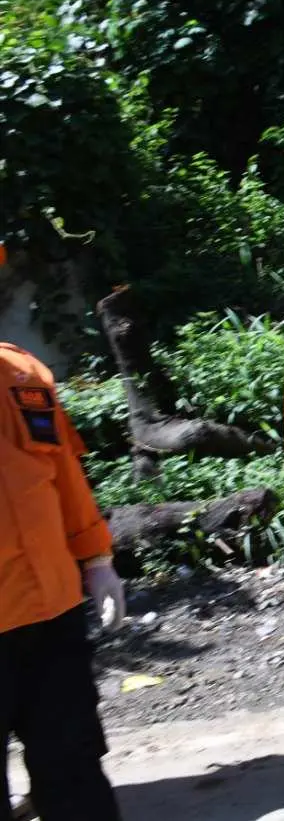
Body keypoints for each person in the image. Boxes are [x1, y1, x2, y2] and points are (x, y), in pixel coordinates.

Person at [0, 240, 126, 821]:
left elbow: (66, 478)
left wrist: (98, 560)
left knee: (73, 768)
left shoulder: (24, 374)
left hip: (51, 615)